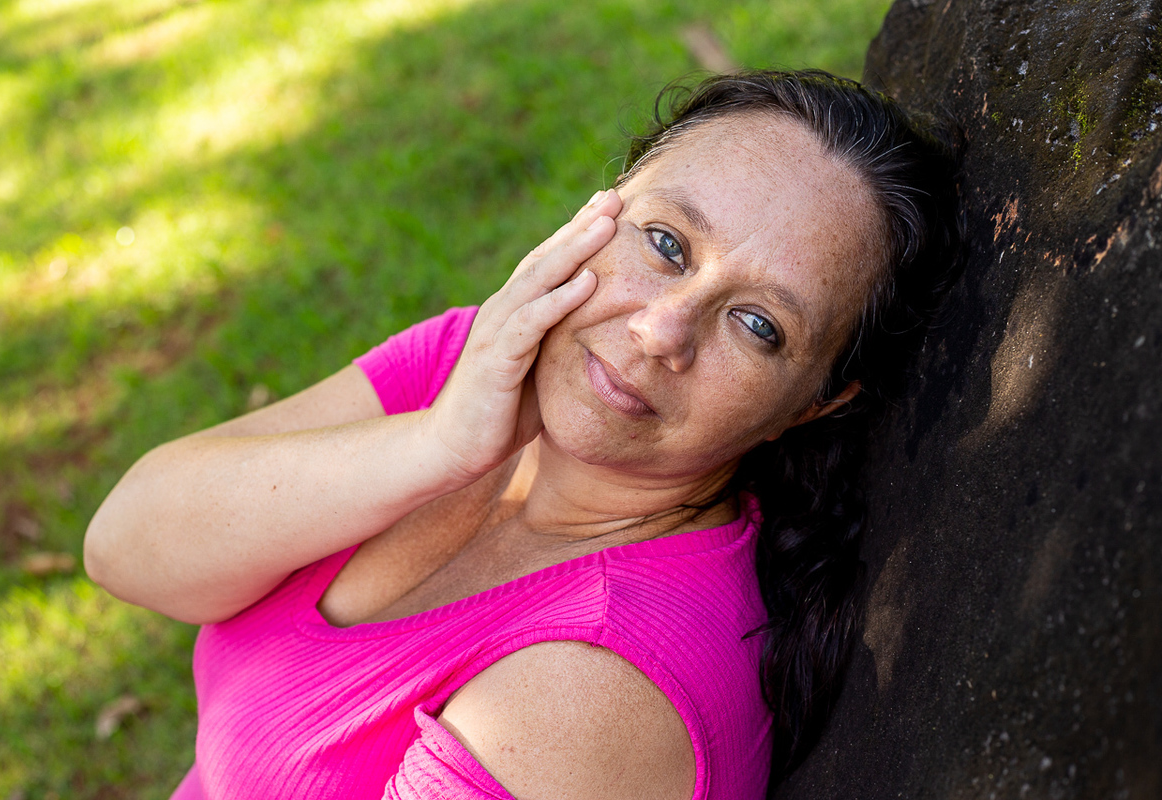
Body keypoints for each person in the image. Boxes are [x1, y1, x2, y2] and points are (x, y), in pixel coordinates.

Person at [84, 69, 962, 799]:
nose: (661, 331)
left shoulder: (592, 689)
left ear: (816, 402)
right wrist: (434, 447)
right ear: (600, 211)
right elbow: (126, 548)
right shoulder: (474, 369)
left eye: (759, 326)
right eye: (665, 242)